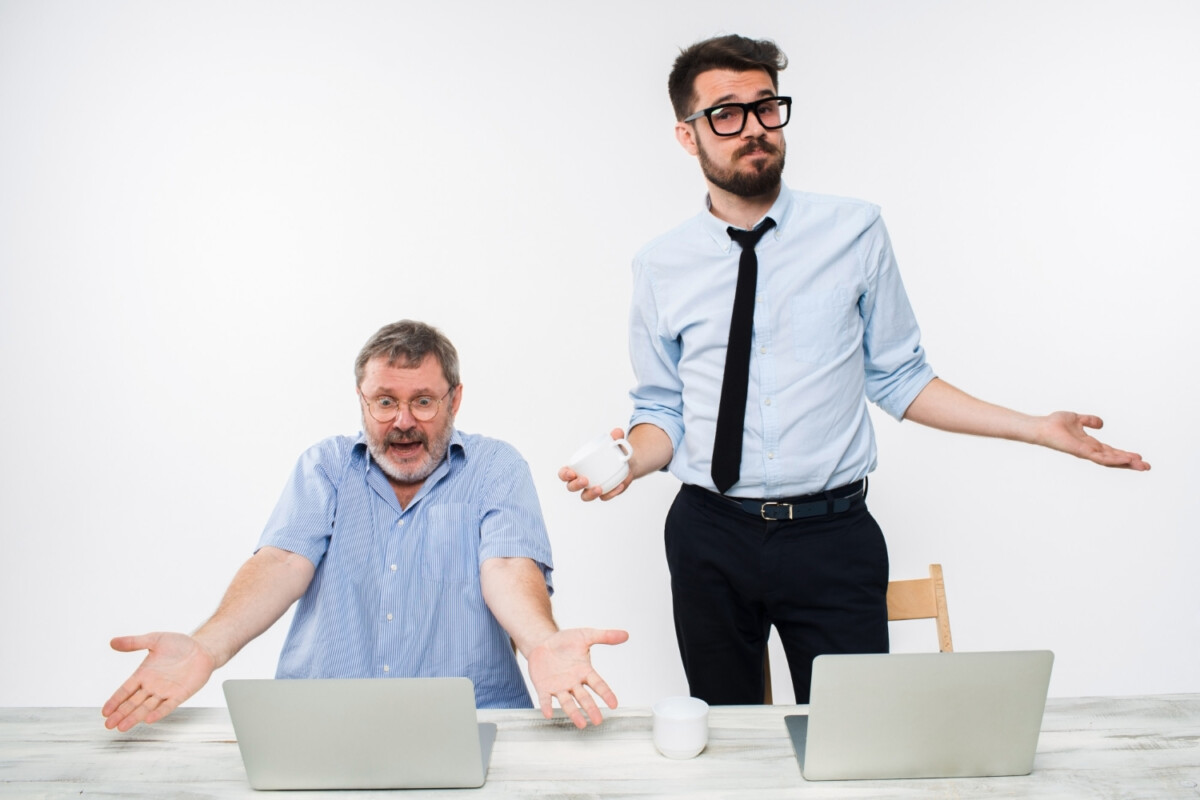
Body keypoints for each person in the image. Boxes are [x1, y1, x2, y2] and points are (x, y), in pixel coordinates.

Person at [559, 34, 1148, 705]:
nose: (754, 129)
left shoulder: (856, 230)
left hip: (832, 536)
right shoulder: (660, 265)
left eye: (766, 107)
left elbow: (900, 377)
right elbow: (663, 408)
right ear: (687, 136)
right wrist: (629, 459)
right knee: (726, 737)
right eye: (726, 114)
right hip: (708, 534)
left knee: (853, 737)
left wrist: (1036, 429)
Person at [105, 320, 627, 732]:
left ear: (455, 400)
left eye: (423, 401)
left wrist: (541, 644)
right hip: (321, 724)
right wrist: (207, 646)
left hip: (474, 722)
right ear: (362, 400)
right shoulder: (324, 468)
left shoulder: (495, 468)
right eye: (385, 402)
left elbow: (508, 565)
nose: (403, 421)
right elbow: (282, 562)